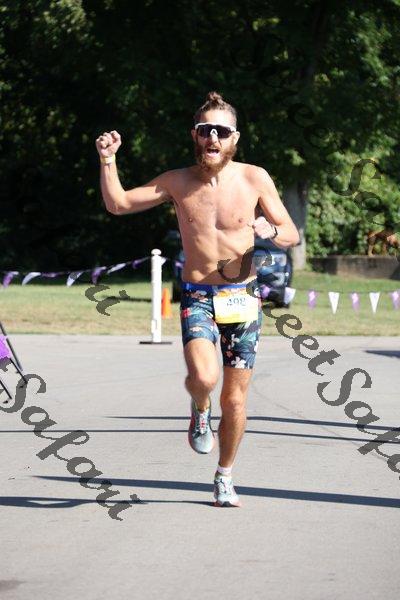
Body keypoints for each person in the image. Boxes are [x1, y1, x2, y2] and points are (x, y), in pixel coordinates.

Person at [96, 91, 299, 507]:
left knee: (235, 399)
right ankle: (199, 406)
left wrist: (272, 231)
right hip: (199, 296)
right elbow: (118, 204)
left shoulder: (254, 178)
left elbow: (291, 232)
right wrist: (107, 160)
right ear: (195, 134)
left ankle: (225, 475)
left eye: (221, 131)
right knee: (205, 379)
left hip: (243, 297)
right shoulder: (178, 182)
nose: (213, 138)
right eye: (206, 130)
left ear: (234, 138)